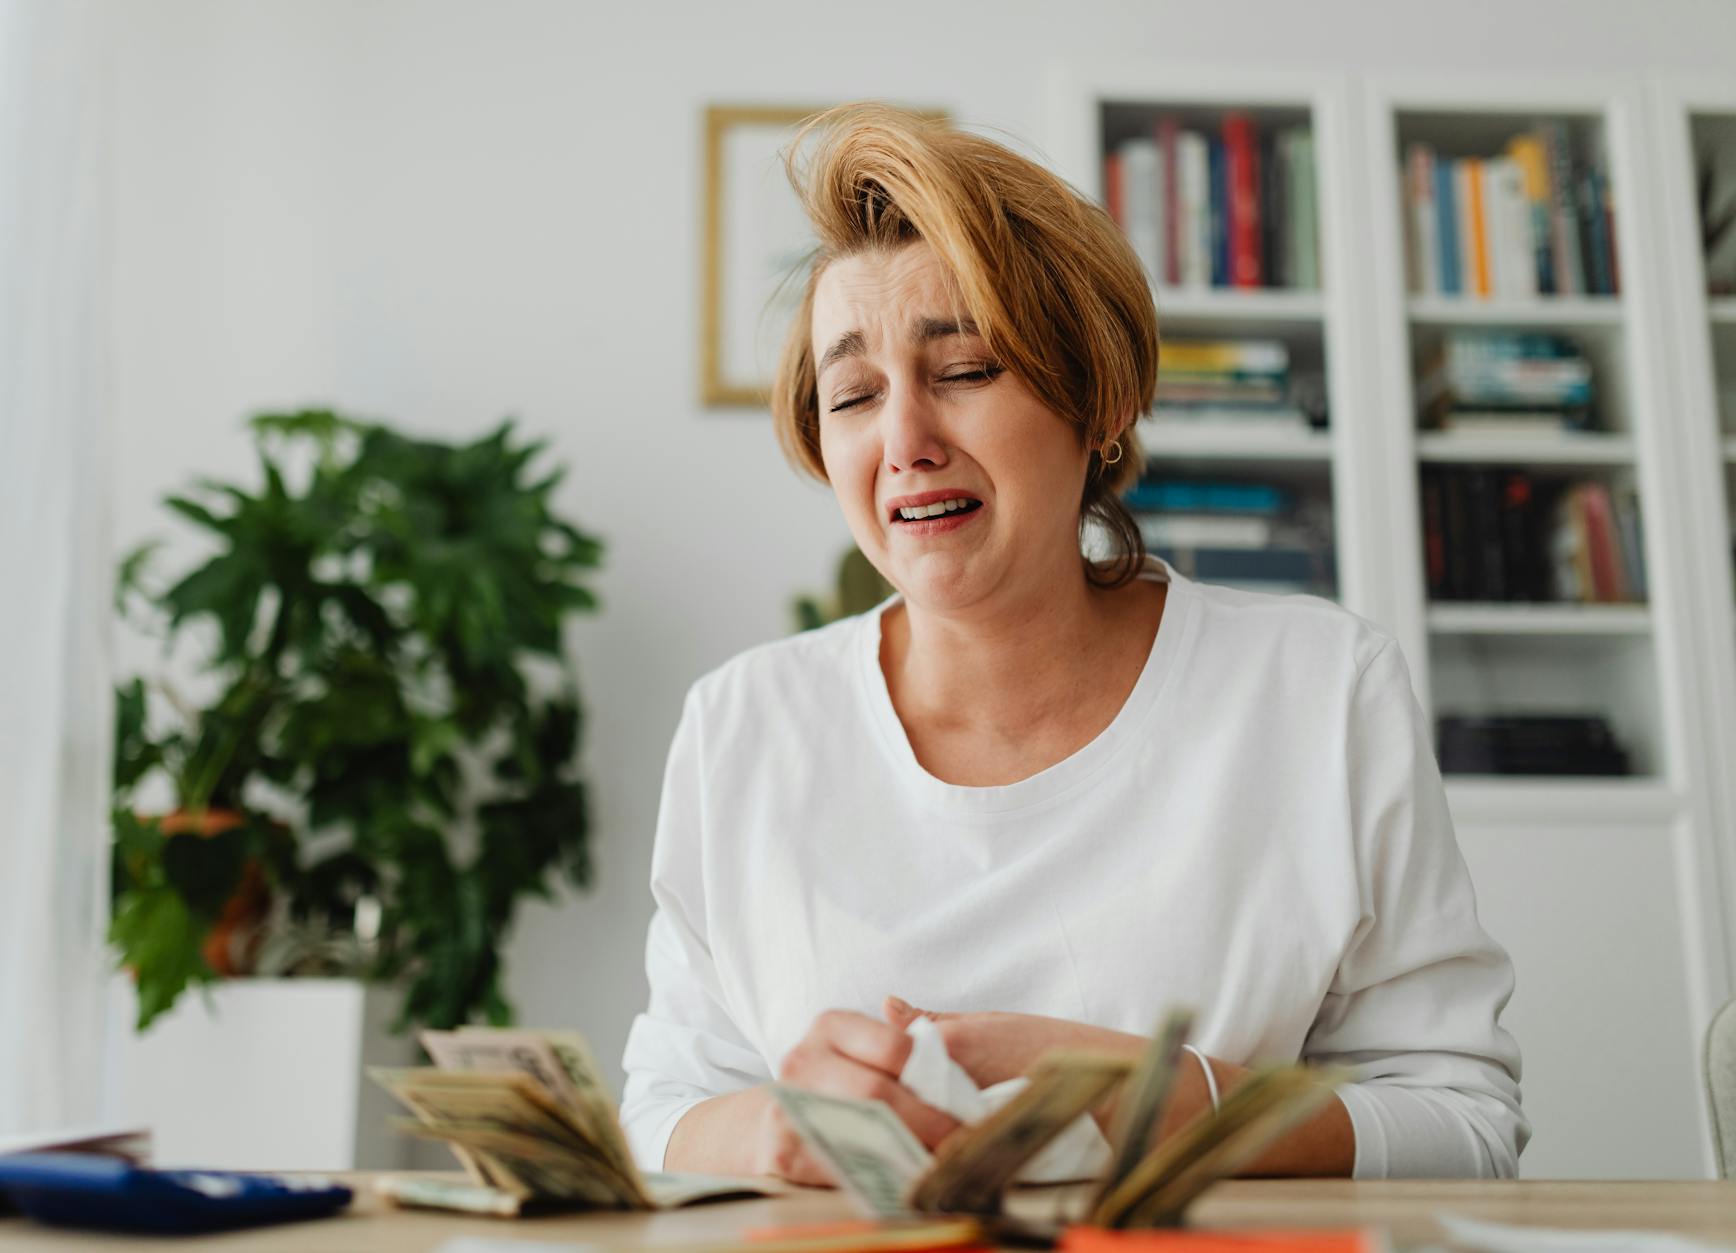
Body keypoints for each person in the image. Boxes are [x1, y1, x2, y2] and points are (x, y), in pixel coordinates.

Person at [619, 103, 1527, 1183]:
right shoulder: (743, 724)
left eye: (962, 370)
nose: (903, 441)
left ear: (1099, 401)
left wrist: (1167, 1097)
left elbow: (1464, 1124)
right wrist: (767, 1127)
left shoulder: (1319, 689)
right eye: (853, 394)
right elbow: (662, 1111)